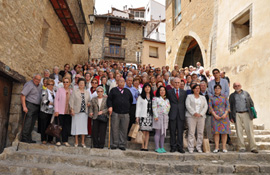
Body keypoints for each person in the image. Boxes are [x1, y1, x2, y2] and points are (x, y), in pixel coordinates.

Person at [229, 82, 258, 153]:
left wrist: (253, 113)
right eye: (235, 86)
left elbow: (251, 103)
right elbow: (230, 107)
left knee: (250, 131)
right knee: (239, 132)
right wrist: (231, 117)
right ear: (233, 87)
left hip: (246, 113)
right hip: (237, 114)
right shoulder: (232, 96)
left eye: (238, 85)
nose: (237, 87)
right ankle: (241, 147)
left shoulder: (246, 93)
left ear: (241, 86)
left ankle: (253, 147)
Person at [107, 78, 133, 150]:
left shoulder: (127, 91)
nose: (121, 83)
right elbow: (109, 100)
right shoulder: (113, 90)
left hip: (125, 113)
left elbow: (130, 100)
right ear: (117, 82)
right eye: (120, 81)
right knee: (114, 129)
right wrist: (110, 107)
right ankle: (114, 144)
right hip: (115, 112)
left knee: (124, 129)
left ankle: (122, 144)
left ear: (124, 83)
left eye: (123, 81)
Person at [185, 85, 208, 153]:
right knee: (191, 132)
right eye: (196, 88)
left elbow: (205, 106)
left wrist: (201, 114)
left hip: (201, 117)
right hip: (191, 116)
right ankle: (191, 147)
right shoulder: (189, 97)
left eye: (198, 88)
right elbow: (187, 105)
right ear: (193, 89)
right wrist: (194, 113)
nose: (197, 90)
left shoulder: (203, 97)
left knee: (200, 132)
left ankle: (199, 147)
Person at [167, 77, 187, 153]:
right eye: (175, 82)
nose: (177, 84)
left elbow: (185, 103)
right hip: (172, 113)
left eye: (178, 83)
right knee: (172, 131)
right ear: (173, 83)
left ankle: (180, 147)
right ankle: (173, 146)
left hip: (181, 114)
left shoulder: (184, 92)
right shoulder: (169, 92)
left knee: (180, 131)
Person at [20, 74, 42, 143]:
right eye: (36, 79)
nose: (37, 81)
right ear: (33, 78)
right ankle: (24, 138)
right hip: (29, 104)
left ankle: (29, 138)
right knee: (27, 122)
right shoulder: (29, 84)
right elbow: (23, 95)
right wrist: (24, 106)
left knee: (32, 123)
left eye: (39, 79)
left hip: (36, 106)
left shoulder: (40, 85)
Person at [69, 78, 91, 148]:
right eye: (80, 83)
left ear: (85, 84)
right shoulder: (75, 91)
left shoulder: (87, 92)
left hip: (84, 112)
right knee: (76, 127)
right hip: (76, 112)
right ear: (78, 84)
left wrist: (89, 103)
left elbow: (89, 100)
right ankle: (76, 141)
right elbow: (71, 101)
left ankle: (83, 142)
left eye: (83, 83)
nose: (81, 84)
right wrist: (71, 109)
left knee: (83, 128)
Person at [209, 84, 230, 153]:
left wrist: (225, 114)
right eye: (216, 88)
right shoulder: (211, 97)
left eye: (218, 88)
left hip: (224, 116)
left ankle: (224, 147)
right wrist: (215, 115)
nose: (217, 89)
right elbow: (210, 107)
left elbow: (227, 106)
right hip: (215, 116)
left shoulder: (224, 97)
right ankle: (216, 147)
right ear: (214, 90)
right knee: (216, 132)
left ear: (221, 89)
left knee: (224, 132)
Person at [54, 77, 72, 147]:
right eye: (64, 82)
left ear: (69, 83)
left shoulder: (71, 91)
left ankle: (65, 140)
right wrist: (56, 110)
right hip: (60, 111)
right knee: (58, 126)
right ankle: (58, 140)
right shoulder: (60, 90)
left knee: (66, 127)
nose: (65, 83)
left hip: (67, 112)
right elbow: (56, 100)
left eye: (67, 82)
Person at [136, 83, 154, 151]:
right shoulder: (141, 97)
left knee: (148, 132)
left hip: (150, 116)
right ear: (144, 88)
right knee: (143, 131)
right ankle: (142, 145)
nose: (147, 88)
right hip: (143, 116)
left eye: (148, 87)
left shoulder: (152, 97)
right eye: (146, 87)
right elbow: (138, 107)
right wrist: (137, 116)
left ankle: (146, 146)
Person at [152, 86, 171, 153]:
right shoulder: (155, 99)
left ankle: (162, 147)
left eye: (163, 90)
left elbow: (168, 108)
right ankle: (157, 147)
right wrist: (155, 116)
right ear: (158, 91)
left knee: (163, 133)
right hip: (158, 117)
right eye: (161, 90)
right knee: (158, 132)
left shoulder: (167, 100)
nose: (162, 92)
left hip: (165, 117)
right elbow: (154, 108)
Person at [39, 79, 55, 144]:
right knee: (44, 126)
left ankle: (50, 139)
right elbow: (44, 101)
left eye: (52, 84)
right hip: (44, 111)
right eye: (49, 84)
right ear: (47, 85)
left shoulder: (54, 92)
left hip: (52, 112)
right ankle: (43, 139)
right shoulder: (44, 91)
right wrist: (53, 103)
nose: (51, 86)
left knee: (50, 126)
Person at [125, 76, 139, 141]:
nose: (130, 82)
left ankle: (129, 135)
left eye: (131, 81)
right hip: (125, 106)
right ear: (126, 81)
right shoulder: (123, 88)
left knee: (132, 121)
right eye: (128, 80)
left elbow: (137, 98)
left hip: (133, 106)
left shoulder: (135, 89)